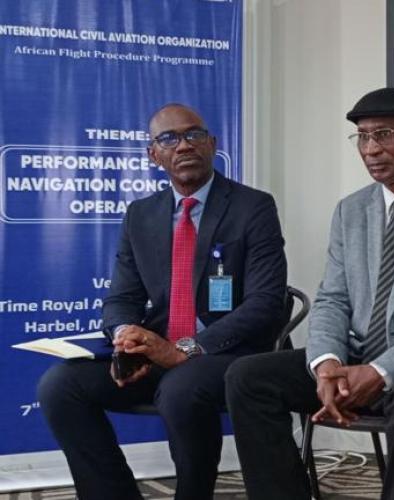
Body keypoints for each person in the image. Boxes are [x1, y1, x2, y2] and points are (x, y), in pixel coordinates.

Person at [225, 87, 394, 500]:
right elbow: (333, 296)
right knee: (248, 377)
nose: (371, 149)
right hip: (356, 355)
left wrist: (382, 369)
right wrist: (328, 364)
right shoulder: (350, 210)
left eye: (384, 134)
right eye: (363, 137)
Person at [37, 104, 288, 500]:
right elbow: (121, 297)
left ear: (213, 144)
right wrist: (125, 338)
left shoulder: (252, 207)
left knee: (181, 386)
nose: (183, 145)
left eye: (194, 135)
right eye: (168, 139)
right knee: (60, 386)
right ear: (153, 155)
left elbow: (266, 303)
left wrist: (186, 350)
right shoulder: (141, 215)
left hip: (230, 355)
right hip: (157, 353)